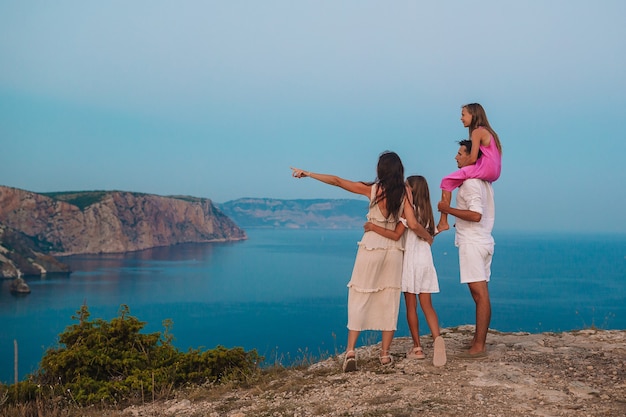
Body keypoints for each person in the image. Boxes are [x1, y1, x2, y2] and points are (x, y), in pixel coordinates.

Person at [291, 151, 430, 372]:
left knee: (359, 296)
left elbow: (337, 181)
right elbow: (412, 223)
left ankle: (351, 351)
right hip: (393, 251)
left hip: (370, 247)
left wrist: (308, 173)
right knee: (389, 299)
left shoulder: (373, 190)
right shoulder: (405, 192)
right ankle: (384, 355)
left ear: (381, 169)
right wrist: (428, 237)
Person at [365, 175, 447, 367]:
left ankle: (417, 347)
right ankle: (437, 339)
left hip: (410, 262)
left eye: (406, 187)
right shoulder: (427, 213)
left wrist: (372, 227)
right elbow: (430, 233)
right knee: (427, 305)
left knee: (411, 307)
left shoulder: (407, 213)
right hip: (426, 262)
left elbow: (395, 235)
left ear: (411, 191)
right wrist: (432, 235)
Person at [437, 140, 495, 358]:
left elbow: (476, 214)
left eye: (460, 153)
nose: (456, 157)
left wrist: (447, 209)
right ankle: (477, 341)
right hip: (483, 240)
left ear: (473, 158)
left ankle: (479, 346)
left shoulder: (471, 183)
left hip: (473, 242)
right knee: (480, 294)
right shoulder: (484, 183)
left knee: (480, 295)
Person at [436, 103, 502, 234]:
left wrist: (462, 172)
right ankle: (460, 216)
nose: (461, 118)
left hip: (485, 168)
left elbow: (472, 159)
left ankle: (443, 222)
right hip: (494, 172)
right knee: (460, 180)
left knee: (447, 180)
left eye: (463, 115)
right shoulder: (490, 133)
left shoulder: (477, 132)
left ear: (473, 115)